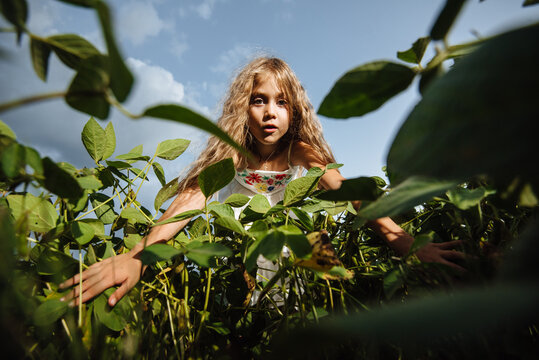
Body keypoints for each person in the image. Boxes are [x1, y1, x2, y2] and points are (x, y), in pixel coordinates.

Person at [59, 57, 465, 307]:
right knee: (243, 335)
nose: (271, 112)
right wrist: (137, 256)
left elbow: (349, 193)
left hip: (307, 257)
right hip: (245, 259)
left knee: (325, 323)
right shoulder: (229, 156)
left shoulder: (301, 152)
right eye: (259, 100)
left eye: (281, 102)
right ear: (244, 108)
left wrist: (401, 241)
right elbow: (188, 200)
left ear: (294, 112)